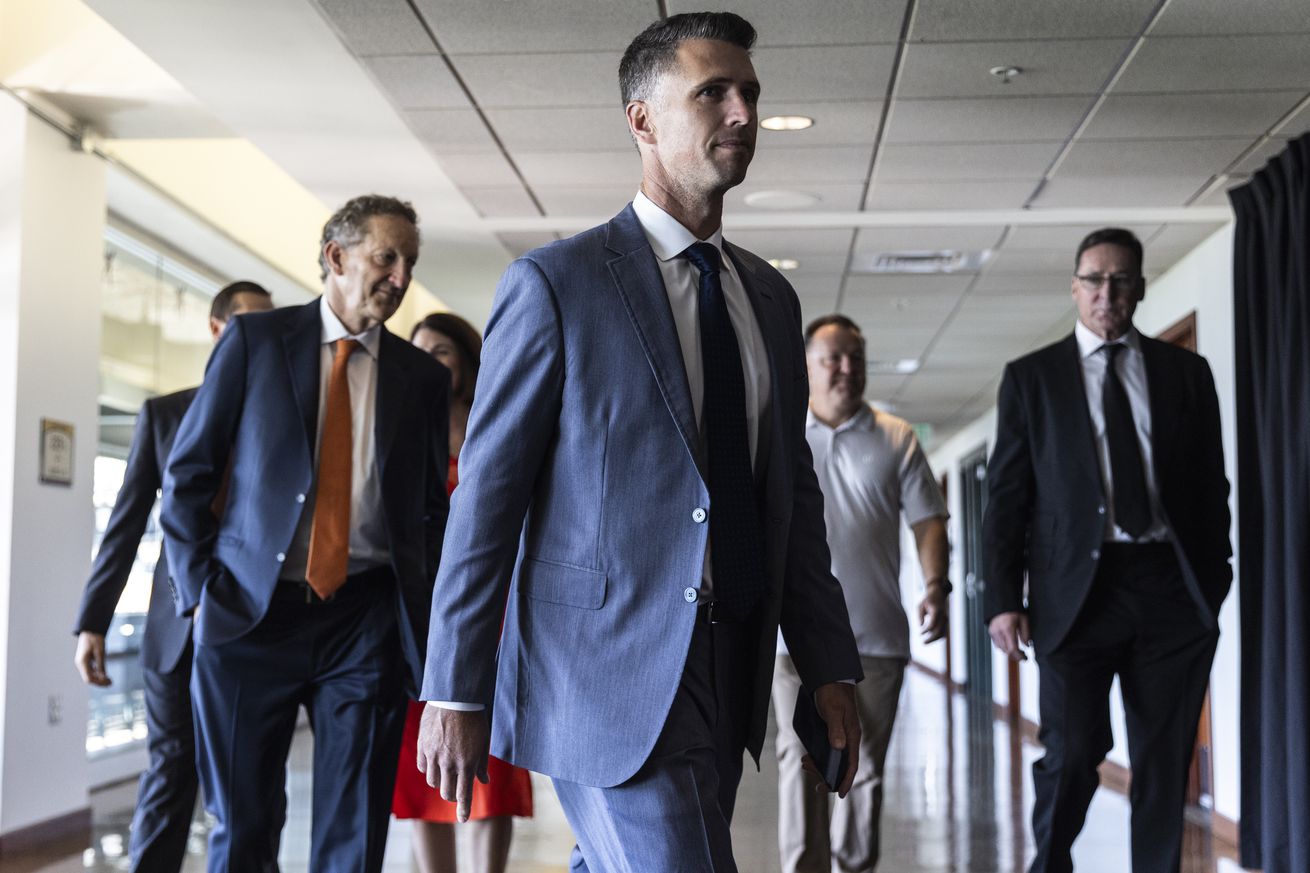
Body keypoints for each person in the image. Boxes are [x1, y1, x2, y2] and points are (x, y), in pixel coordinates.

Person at [416, 12, 863, 873]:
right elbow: (487, 501)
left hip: (730, 661)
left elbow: (790, 500)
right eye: (712, 93)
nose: (741, 114)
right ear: (643, 119)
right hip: (604, 671)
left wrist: (829, 664)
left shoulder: (768, 299)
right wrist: (453, 685)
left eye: (750, 95)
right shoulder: (557, 284)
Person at [160, 195, 450, 873]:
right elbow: (188, 475)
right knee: (244, 823)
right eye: (386, 257)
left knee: (356, 829)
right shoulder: (256, 343)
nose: (401, 277)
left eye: (409, 262)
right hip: (247, 614)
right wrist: (199, 590)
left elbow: (430, 513)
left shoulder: (422, 379)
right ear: (336, 257)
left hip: (367, 618)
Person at [982, 227, 1232, 873]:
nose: (1106, 292)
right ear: (1074, 288)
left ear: (1139, 289)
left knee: (1162, 757)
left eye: (1121, 279)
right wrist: (1004, 599)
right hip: (1075, 594)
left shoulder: (1185, 373)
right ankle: (1050, 862)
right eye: (1094, 278)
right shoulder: (1032, 379)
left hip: (1169, 590)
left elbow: (1211, 485)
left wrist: (1215, 580)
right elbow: (1006, 498)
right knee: (1072, 749)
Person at [71, 281, 272, 873]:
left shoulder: (286, 419)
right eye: (248, 323)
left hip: (256, 624)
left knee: (249, 782)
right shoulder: (165, 414)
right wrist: (93, 622)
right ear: (217, 327)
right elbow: (126, 525)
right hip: (174, 624)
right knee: (170, 768)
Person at [772, 314, 949, 873]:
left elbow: (928, 521)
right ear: (807, 367)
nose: (847, 369)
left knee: (864, 764)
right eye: (833, 358)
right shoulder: (780, 433)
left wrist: (936, 585)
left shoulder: (897, 436)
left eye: (856, 358)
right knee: (798, 759)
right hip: (790, 639)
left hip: (874, 634)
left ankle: (855, 866)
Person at [394, 311, 532, 873]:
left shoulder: (494, 426)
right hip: (416, 621)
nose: (430, 363)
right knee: (417, 762)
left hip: (493, 616)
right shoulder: (399, 435)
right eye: (419, 352)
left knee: (493, 758)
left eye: (442, 352)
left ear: (468, 361)